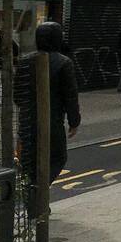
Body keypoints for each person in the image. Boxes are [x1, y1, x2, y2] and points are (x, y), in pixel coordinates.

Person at [32, 21, 81, 177]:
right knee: (58, 158)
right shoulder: (63, 62)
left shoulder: (25, 60)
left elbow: (18, 94)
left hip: (28, 119)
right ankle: (39, 194)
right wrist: (74, 122)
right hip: (53, 119)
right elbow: (70, 95)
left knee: (31, 159)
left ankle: (32, 191)